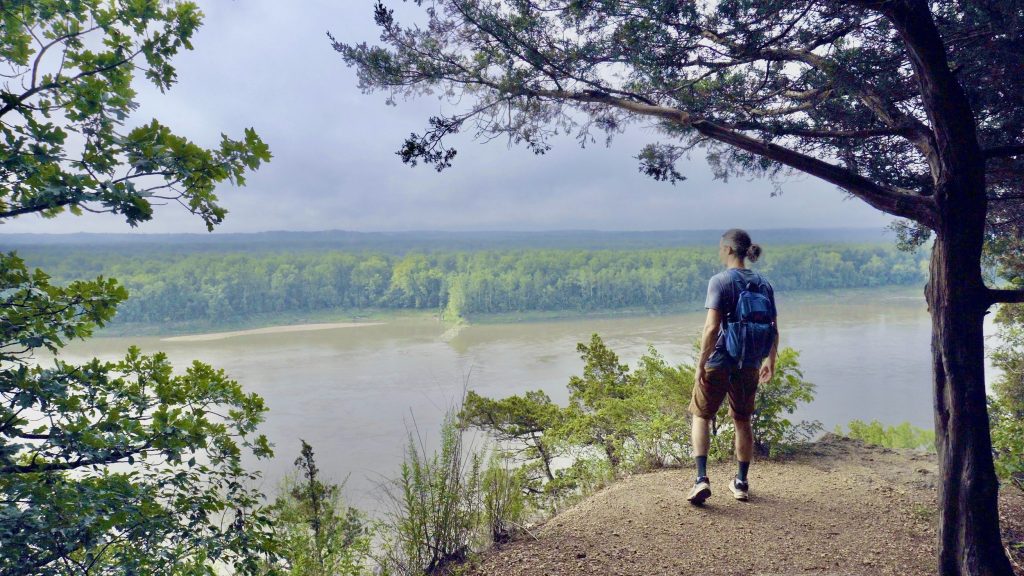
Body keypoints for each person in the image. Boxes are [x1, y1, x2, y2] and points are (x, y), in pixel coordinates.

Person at [687, 228, 779, 504]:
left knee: (701, 414)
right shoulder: (764, 283)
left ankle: (701, 479)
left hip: (719, 360)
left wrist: (700, 364)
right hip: (749, 361)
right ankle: (740, 483)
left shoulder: (720, 281)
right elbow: (774, 328)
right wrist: (770, 362)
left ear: (728, 249)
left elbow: (712, 327)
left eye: (720, 248)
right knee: (742, 420)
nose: (719, 252)